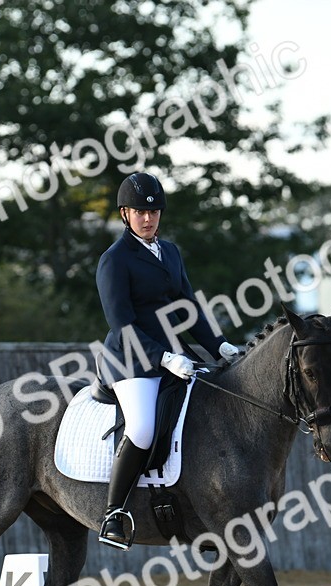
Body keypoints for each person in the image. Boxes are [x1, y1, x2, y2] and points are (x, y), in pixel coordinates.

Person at [95, 172, 240, 550]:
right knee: (142, 428)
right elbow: (122, 325)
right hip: (130, 359)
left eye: (155, 211)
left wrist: (219, 344)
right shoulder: (114, 261)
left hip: (174, 353)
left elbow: (188, 306)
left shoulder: (170, 252)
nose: (149, 218)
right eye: (141, 212)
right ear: (125, 214)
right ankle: (115, 513)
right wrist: (162, 358)